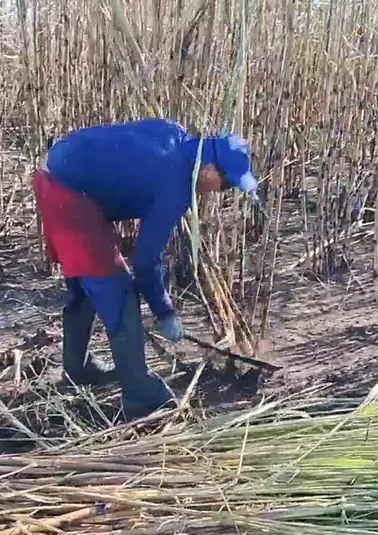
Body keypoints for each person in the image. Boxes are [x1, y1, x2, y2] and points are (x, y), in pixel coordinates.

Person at [33, 118, 257, 421]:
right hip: (67, 194)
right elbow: (145, 261)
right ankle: (140, 395)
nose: (221, 192)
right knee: (117, 288)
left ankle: (78, 370)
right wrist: (164, 312)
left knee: (85, 280)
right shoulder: (175, 186)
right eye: (227, 184)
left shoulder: (174, 133)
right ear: (208, 170)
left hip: (55, 173)